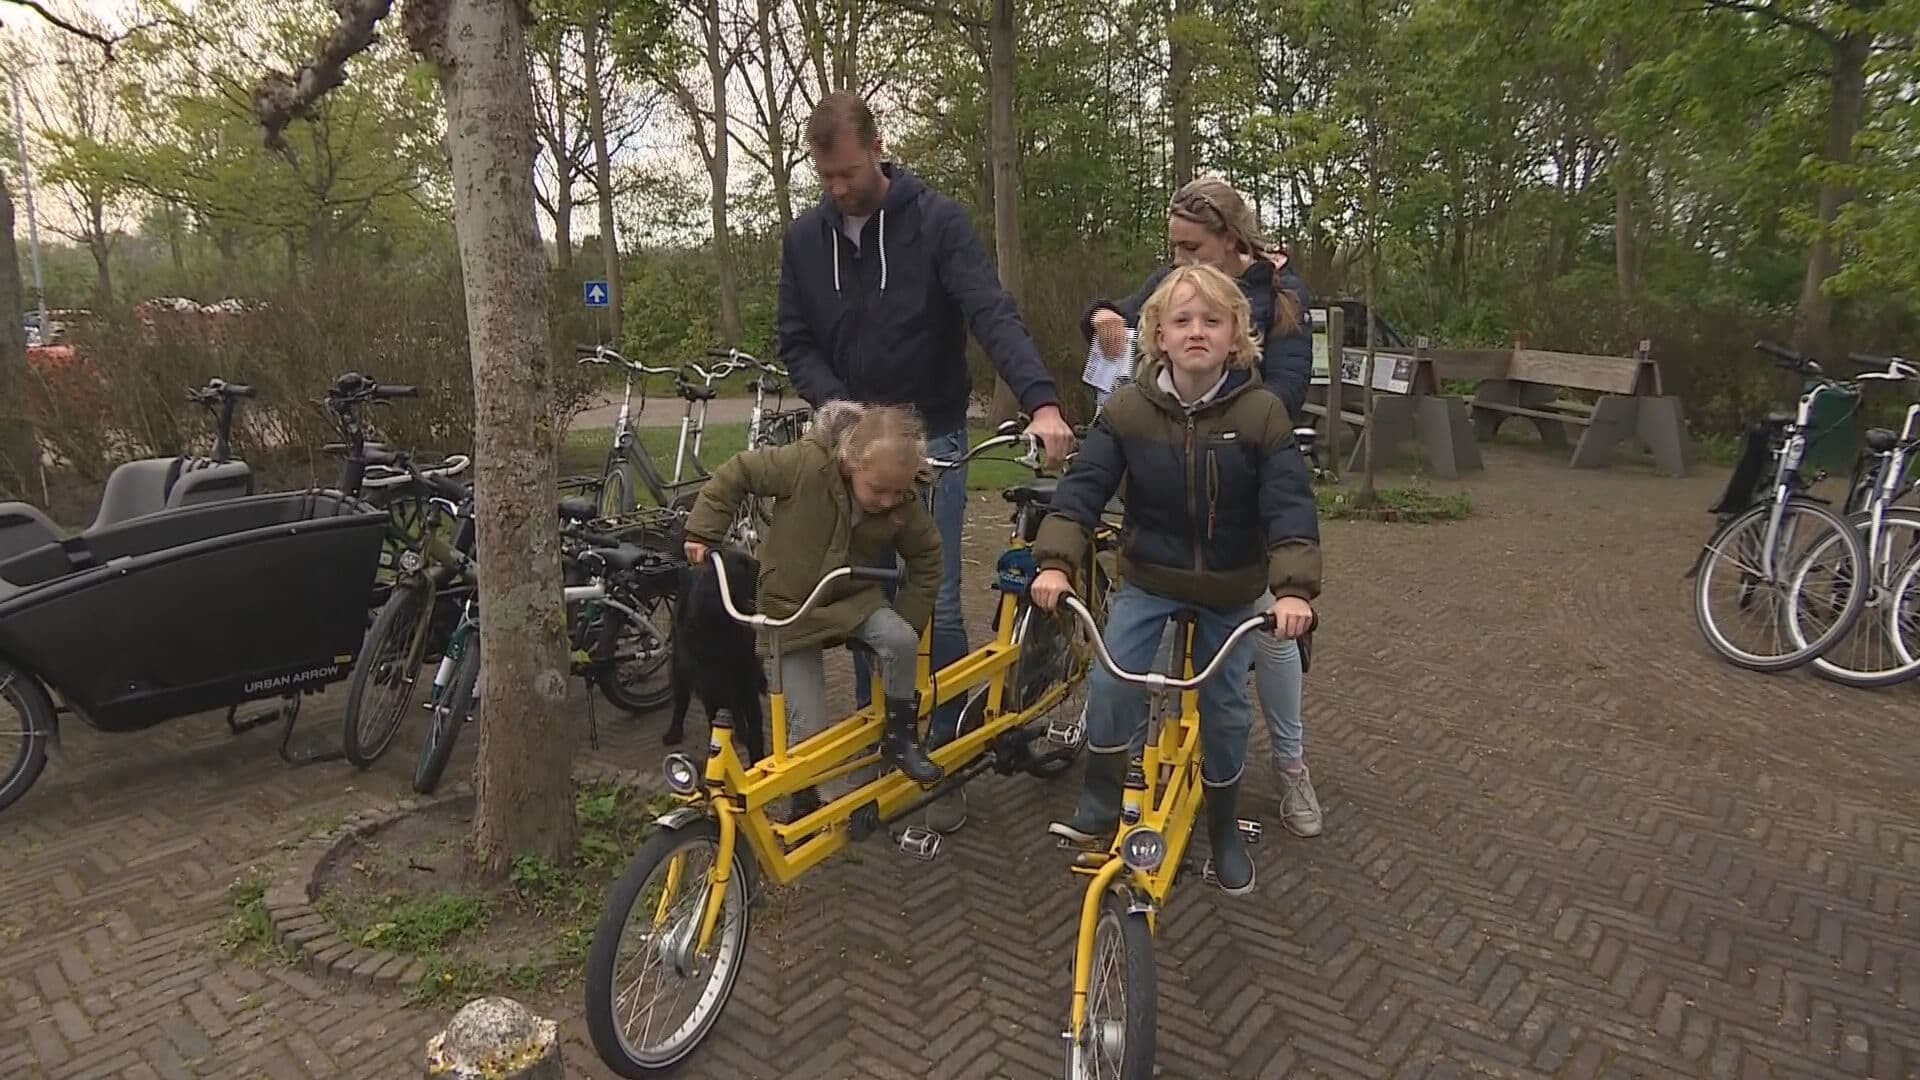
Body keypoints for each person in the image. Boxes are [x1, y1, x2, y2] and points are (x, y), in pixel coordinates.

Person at [777, 90, 1076, 747]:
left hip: (929, 440)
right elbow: (795, 340)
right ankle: (877, 737)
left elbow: (990, 312)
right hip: (850, 451)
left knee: (931, 598)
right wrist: (842, 410)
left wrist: (1042, 401)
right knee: (859, 596)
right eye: (825, 177)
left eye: (848, 173)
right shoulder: (804, 240)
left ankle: (942, 742)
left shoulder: (937, 222)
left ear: (878, 149)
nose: (837, 188)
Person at [1029, 263, 1322, 894]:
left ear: (1238, 336)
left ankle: (1220, 828)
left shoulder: (1263, 414)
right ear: (1157, 335)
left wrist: (1293, 588)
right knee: (1113, 681)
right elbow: (1081, 492)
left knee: (1225, 710)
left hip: (1231, 588)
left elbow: (1290, 509)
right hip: (1150, 579)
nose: (1197, 332)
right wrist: (1054, 562)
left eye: (1213, 321)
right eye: (1181, 320)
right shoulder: (1128, 411)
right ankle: (1102, 801)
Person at [1082, 176, 1325, 838]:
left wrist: (1213, 398)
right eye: (1174, 250)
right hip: (1176, 486)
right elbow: (1131, 309)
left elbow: (1285, 394)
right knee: (1142, 629)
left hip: (1244, 488)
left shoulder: (1282, 297)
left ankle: (1291, 765)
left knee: (1272, 635)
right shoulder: (1180, 279)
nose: (1179, 263)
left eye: (1191, 248)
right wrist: (1104, 316)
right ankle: (1132, 761)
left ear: (1228, 239)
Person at [683, 401, 946, 805]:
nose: (888, 501)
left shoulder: (902, 503)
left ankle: (900, 736)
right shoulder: (804, 465)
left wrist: (908, 616)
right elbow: (738, 472)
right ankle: (809, 801)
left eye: (898, 492)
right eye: (878, 490)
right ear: (851, 460)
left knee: (900, 640)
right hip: (790, 608)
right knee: (808, 727)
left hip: (851, 598)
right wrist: (703, 531)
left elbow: (927, 558)